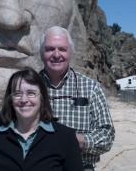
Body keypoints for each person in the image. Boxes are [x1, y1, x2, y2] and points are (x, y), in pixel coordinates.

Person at [0, 67, 83, 171]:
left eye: (31, 93)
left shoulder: (66, 138)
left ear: (42, 97)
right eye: (17, 94)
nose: (24, 100)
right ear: (10, 99)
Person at [39, 26, 115, 170]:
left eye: (62, 49)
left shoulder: (91, 87)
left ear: (71, 52)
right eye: (49, 49)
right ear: (41, 53)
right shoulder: (28, 88)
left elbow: (107, 136)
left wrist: (78, 140)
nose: (56, 55)